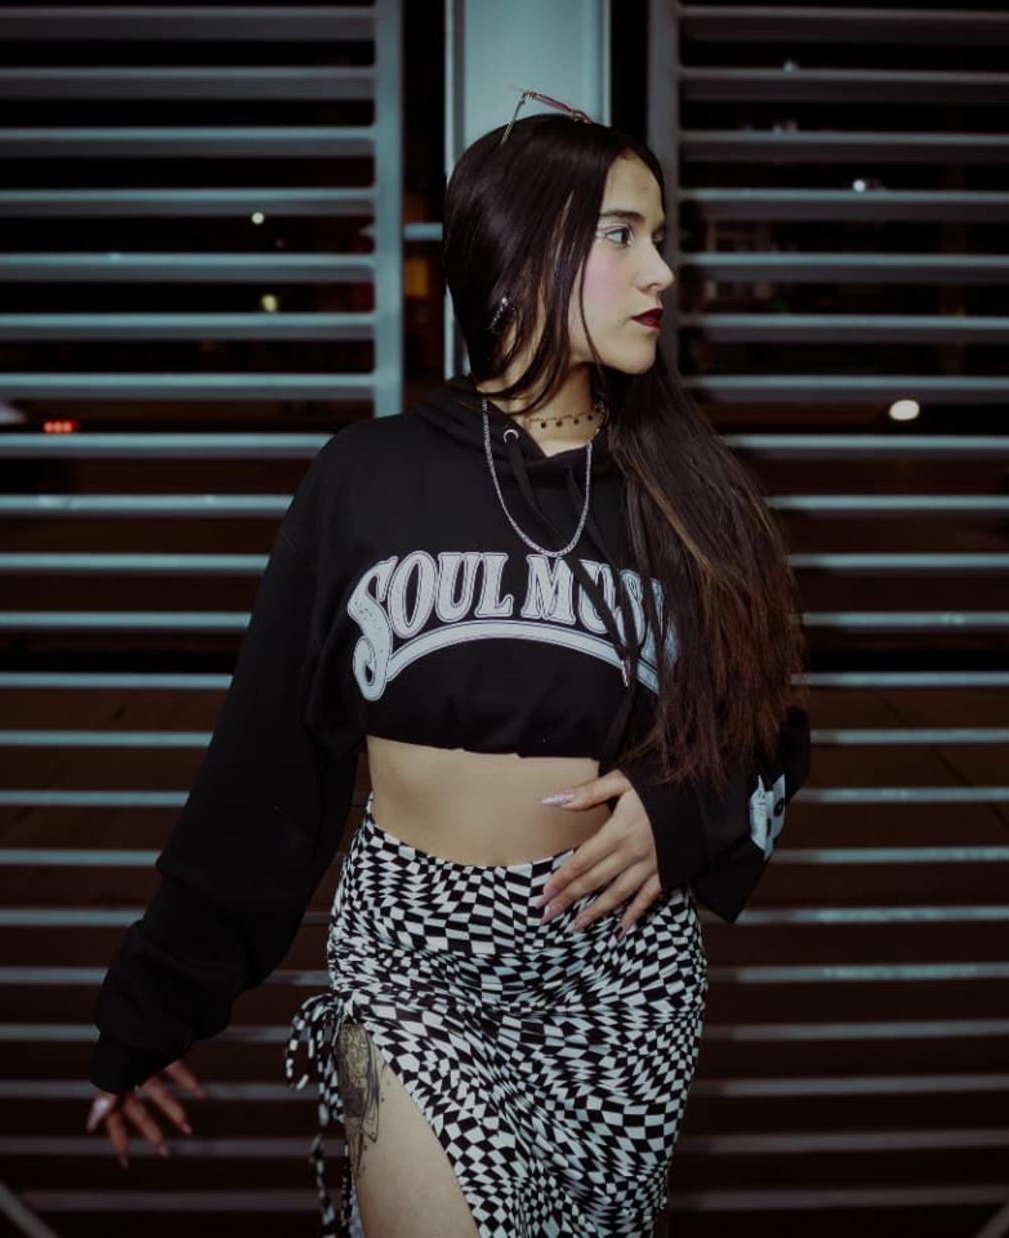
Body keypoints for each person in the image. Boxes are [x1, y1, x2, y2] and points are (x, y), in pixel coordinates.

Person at [83, 93, 813, 1238]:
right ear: (521, 252)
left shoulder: (690, 494)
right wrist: (150, 1010)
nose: (663, 271)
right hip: (410, 954)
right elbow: (268, 765)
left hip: (617, 969)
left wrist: (681, 814)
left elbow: (770, 730)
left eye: (661, 237)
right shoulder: (367, 478)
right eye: (623, 235)